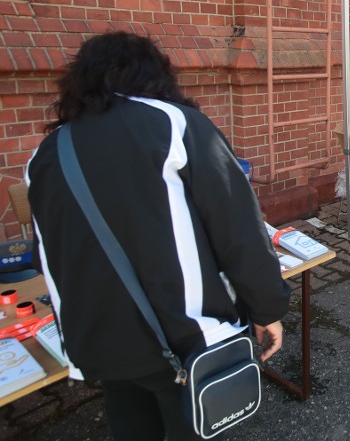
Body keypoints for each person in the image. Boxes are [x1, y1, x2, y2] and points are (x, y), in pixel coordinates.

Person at [27, 32, 292, 440]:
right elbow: (238, 229)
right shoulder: (173, 124)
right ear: (153, 76)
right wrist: (267, 308)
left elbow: (47, 252)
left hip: (99, 341)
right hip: (181, 336)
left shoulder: (47, 152)